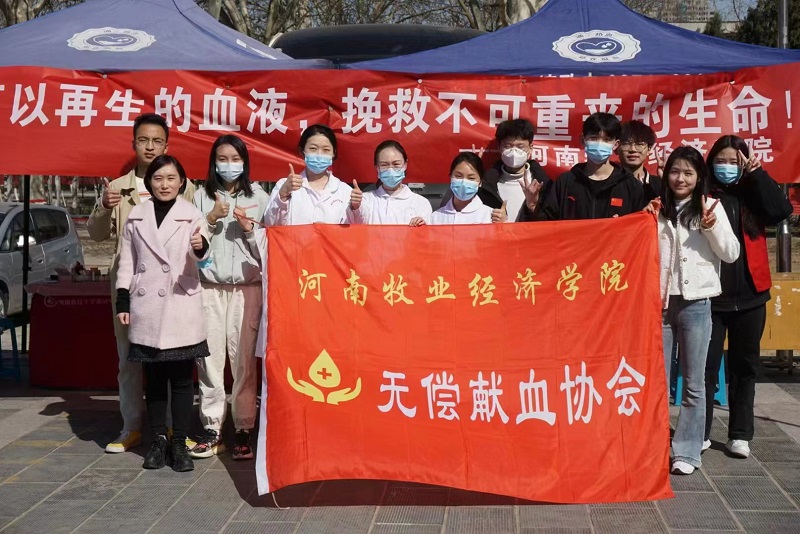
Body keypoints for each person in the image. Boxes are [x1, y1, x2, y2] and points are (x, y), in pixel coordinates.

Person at [87, 113, 196, 453]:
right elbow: (96, 234)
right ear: (133, 143)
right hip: (132, 289)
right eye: (144, 140)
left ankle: (174, 429)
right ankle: (131, 427)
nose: (150, 147)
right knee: (130, 360)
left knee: (175, 359)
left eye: (157, 141)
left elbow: (197, 233)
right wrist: (103, 208)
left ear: (167, 145)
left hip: (175, 288)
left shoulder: (186, 185)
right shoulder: (117, 187)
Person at [115, 155, 210, 472]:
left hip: (180, 302)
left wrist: (200, 246)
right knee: (154, 380)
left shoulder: (192, 214)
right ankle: (158, 441)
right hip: (147, 306)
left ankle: (179, 443)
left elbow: (201, 253)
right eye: (158, 178)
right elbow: (127, 260)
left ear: (181, 182)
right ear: (149, 182)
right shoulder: (136, 216)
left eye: (171, 178)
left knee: (182, 380)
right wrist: (123, 300)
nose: (164, 184)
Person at [703, 136, 793, 458]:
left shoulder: (752, 190)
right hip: (710, 296)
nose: (727, 167)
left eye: (734, 161)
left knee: (745, 367)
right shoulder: (703, 192)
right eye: (721, 160)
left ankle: (740, 434)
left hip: (751, 296)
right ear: (710, 162)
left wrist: (757, 174)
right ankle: (699, 433)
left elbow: (781, 211)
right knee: (705, 368)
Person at [652, 146, 739, 475]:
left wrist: (711, 225)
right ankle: (654, 447)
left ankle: (687, 452)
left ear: (699, 176)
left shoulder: (711, 207)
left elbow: (731, 253)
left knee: (694, 382)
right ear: (666, 174)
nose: (681, 178)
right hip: (659, 304)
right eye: (675, 171)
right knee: (657, 382)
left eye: (688, 173)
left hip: (697, 303)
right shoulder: (656, 207)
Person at [191, 135, 269, 461]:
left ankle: (243, 428)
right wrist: (210, 219)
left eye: (235, 159)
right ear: (213, 163)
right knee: (208, 362)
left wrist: (249, 230)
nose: (229, 165)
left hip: (246, 290)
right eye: (222, 159)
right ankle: (212, 428)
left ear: (245, 162)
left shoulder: (260, 198)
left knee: (243, 362)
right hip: (208, 287)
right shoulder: (199, 196)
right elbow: (190, 245)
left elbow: (268, 250)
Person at [521, 112, 647, 221]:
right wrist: (532, 207)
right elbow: (547, 225)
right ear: (583, 140)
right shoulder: (565, 182)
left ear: (616, 144)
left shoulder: (630, 185)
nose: (599, 144)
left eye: (607, 140)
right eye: (594, 138)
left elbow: (639, 228)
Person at [439, 119, 549, 221]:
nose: (514, 151)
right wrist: (473, 171)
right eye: (508, 146)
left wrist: (532, 208)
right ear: (499, 147)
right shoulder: (486, 183)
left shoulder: (544, 185)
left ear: (530, 148)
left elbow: (550, 223)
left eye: (520, 146)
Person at [265, 124, 351, 225]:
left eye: (326, 150)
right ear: (302, 151)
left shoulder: (345, 191)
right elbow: (270, 224)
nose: (319, 154)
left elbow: (354, 229)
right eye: (313, 148)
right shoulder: (284, 185)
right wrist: (283, 195)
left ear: (333, 153)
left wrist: (356, 208)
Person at [347, 140, 432, 224]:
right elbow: (357, 223)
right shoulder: (366, 200)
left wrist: (421, 225)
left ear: (405, 165)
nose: (390, 170)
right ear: (377, 167)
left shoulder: (420, 203)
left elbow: (427, 230)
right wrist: (356, 206)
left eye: (396, 164)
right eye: (384, 165)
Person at [414, 152, 506, 225]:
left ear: (480, 183)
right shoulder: (435, 218)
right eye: (458, 176)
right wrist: (419, 226)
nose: (463, 182)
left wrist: (503, 224)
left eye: (471, 178)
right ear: (450, 177)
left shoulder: (490, 216)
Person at [617, 120, 662, 201]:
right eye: (626, 143)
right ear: (616, 147)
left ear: (649, 149)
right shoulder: (608, 183)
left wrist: (668, 183)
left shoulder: (660, 185)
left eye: (639, 144)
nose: (633, 149)